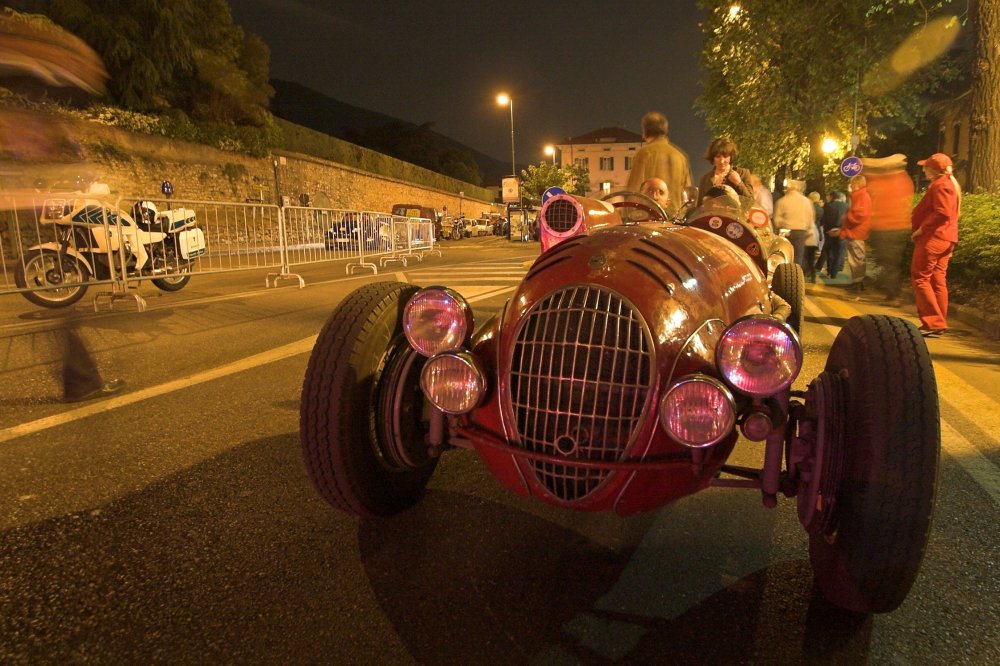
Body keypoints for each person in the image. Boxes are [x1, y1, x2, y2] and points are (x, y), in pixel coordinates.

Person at [910, 152, 961, 337]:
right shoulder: (949, 184)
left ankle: (933, 322)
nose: (923, 170)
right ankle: (939, 321)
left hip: (934, 238)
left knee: (921, 278)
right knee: (937, 279)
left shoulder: (940, 185)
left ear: (932, 169)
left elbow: (942, 212)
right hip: (946, 238)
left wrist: (922, 229)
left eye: (925, 167)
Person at [864, 153, 915, 304]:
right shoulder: (904, 180)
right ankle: (891, 292)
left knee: (889, 263)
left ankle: (893, 294)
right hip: (897, 228)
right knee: (890, 262)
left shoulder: (887, 181)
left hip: (887, 228)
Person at [626, 111, 692, 216]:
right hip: (674, 219)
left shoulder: (644, 154)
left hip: (651, 218)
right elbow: (687, 192)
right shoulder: (680, 156)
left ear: (644, 131)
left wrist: (628, 215)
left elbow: (633, 191)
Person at [697, 137, 754, 203]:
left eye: (725, 156)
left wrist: (739, 183)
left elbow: (751, 202)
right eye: (718, 157)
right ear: (712, 158)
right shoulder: (705, 179)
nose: (722, 161)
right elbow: (700, 207)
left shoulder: (743, 173)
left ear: (731, 156)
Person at [772, 179, 813, 271]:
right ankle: (796, 272)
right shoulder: (806, 201)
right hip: (801, 231)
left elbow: (776, 219)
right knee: (798, 255)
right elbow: (810, 217)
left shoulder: (782, 201)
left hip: (786, 231)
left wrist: (781, 226)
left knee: (785, 252)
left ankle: (784, 271)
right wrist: (808, 229)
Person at [840, 174, 872, 292]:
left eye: (852, 184)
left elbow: (860, 214)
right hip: (856, 231)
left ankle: (858, 283)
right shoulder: (860, 195)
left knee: (856, 257)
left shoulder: (861, 196)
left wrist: (847, 217)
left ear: (856, 184)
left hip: (856, 232)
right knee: (855, 257)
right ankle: (857, 282)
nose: (851, 186)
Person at [816, 190, 847, 278]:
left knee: (829, 251)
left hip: (829, 232)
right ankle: (834, 273)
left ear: (833, 197)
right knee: (838, 252)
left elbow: (824, 218)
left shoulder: (828, 206)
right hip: (841, 231)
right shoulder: (846, 206)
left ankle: (829, 270)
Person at [804, 191, 824, 283]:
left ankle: (805, 274)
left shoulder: (809, 207)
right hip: (816, 233)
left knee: (805, 256)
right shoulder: (820, 209)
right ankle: (812, 276)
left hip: (808, 233)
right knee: (812, 257)